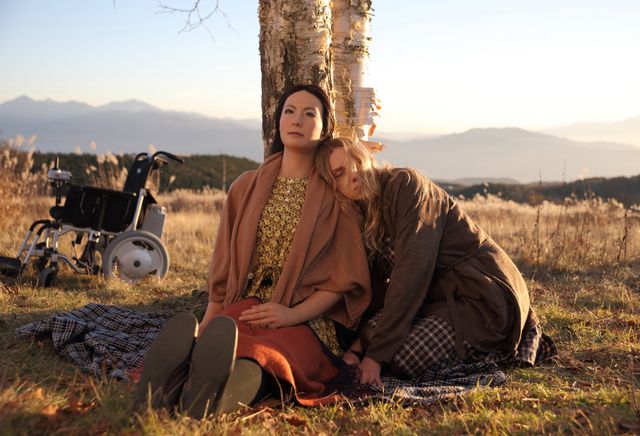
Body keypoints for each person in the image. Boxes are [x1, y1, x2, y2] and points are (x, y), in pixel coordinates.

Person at [135, 86, 371, 418]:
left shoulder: (336, 197)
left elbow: (343, 282)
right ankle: (171, 381)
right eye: (289, 111)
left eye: (309, 113)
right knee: (228, 340)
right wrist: (209, 318)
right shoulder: (245, 186)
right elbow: (223, 265)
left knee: (266, 355)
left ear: (324, 128)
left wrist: (291, 315)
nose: (297, 120)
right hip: (247, 305)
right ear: (277, 122)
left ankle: (210, 399)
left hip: (306, 318)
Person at [314, 137, 556, 386]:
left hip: (482, 294)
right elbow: (380, 290)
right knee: (367, 333)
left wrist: (374, 357)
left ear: (367, 156)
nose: (353, 174)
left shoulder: (406, 185)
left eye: (355, 161)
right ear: (335, 187)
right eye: (340, 173)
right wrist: (356, 350)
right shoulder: (363, 214)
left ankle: (488, 349)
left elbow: (412, 273)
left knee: (401, 359)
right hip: (438, 300)